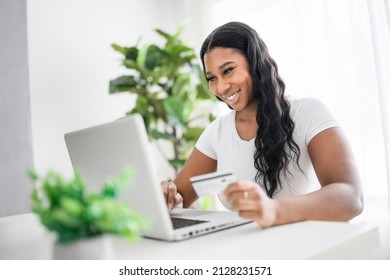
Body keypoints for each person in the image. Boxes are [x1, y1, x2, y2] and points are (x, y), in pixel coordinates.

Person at [161, 21, 363, 228]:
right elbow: (179, 198)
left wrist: (274, 210)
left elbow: (350, 197)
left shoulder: (308, 113)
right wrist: (167, 196)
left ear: (255, 62)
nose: (220, 87)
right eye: (212, 78)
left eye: (228, 70)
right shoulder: (217, 133)